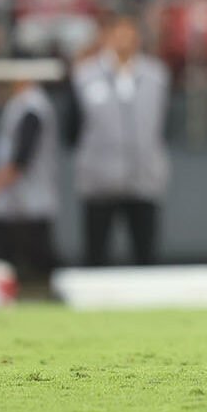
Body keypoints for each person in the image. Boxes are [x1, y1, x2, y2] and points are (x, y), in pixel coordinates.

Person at [71, 15, 171, 267]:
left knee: (145, 254)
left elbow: (166, 124)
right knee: (96, 253)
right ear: (106, 35)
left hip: (144, 176)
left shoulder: (156, 75)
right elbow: (71, 129)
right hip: (100, 179)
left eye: (130, 32)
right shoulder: (85, 75)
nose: (124, 39)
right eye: (118, 32)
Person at [0, 71, 61, 287]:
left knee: (33, 265)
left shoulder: (33, 107)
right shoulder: (20, 104)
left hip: (28, 202)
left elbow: (20, 160)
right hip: (18, 203)